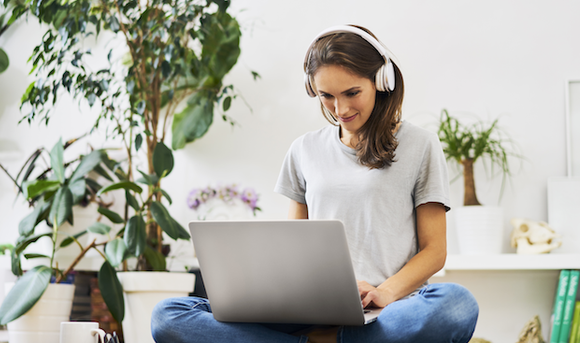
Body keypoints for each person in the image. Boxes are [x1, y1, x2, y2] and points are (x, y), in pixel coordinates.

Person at [151, 25, 479, 343]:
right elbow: (294, 247)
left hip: (387, 309)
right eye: (327, 96)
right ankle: (325, 339)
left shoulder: (420, 145)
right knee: (169, 315)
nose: (341, 109)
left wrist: (383, 292)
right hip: (310, 309)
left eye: (352, 93)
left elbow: (435, 251)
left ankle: (326, 341)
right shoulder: (304, 149)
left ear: (382, 81)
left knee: (456, 304)